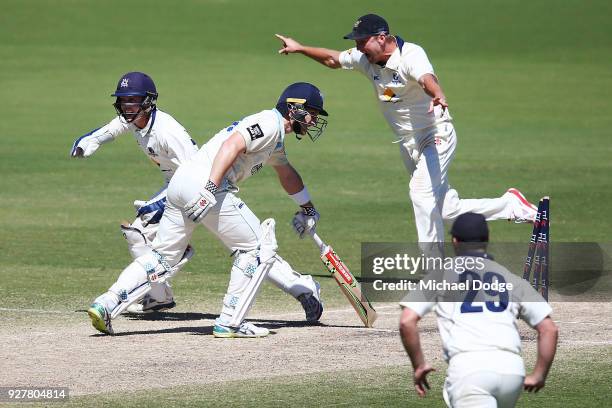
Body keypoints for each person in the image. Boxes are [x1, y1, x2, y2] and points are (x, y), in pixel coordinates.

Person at [87, 82, 328, 338]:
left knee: (162, 258)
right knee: (257, 249)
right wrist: (210, 189)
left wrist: (309, 209)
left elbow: (286, 172)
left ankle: (106, 303)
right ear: (294, 109)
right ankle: (230, 321)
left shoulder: (275, 138)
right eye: (312, 112)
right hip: (206, 184)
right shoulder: (268, 123)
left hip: (181, 184)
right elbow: (231, 145)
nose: (314, 121)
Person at [276, 14, 538, 244]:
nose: (357, 47)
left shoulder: (411, 55)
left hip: (435, 135)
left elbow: (426, 78)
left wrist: (438, 94)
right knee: (446, 209)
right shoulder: (366, 59)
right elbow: (334, 60)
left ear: (381, 38)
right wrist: (300, 48)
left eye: (362, 41)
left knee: (421, 193)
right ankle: (511, 206)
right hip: (408, 143)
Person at [71, 71, 199, 313]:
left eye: (133, 100)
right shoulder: (134, 119)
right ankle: (160, 296)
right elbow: (114, 127)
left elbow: (195, 172)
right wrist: (91, 140)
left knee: (138, 232)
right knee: (136, 235)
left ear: (148, 101)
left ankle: (170, 269)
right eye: (123, 100)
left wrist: (158, 204)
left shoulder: (167, 131)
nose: (127, 106)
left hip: (192, 187)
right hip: (174, 184)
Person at [399, 212, 558, 407]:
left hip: (470, 369)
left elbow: (407, 320)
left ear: (455, 241)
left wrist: (419, 365)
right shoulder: (511, 278)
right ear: (487, 239)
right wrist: (539, 375)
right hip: (512, 370)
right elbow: (549, 329)